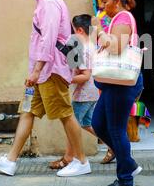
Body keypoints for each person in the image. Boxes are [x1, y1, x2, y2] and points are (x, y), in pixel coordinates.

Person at [0, 0, 90, 177]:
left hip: (49, 71)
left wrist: (36, 70)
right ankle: (10, 161)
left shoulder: (49, 2)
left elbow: (49, 39)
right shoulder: (44, 1)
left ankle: (81, 161)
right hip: (42, 72)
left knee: (65, 114)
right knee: (28, 111)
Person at [91, 0, 144, 186]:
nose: (102, 5)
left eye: (105, 1)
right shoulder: (116, 18)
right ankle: (129, 163)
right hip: (113, 83)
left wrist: (99, 31)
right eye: (101, 2)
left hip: (122, 83)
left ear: (117, 0)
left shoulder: (122, 18)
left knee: (115, 129)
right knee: (98, 123)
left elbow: (115, 48)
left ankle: (125, 181)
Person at [49, 14, 115, 169]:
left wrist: (66, 79)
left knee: (72, 126)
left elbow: (84, 76)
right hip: (93, 92)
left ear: (79, 30)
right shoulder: (91, 45)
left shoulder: (80, 48)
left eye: (71, 30)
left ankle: (68, 159)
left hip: (83, 94)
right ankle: (114, 146)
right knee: (87, 124)